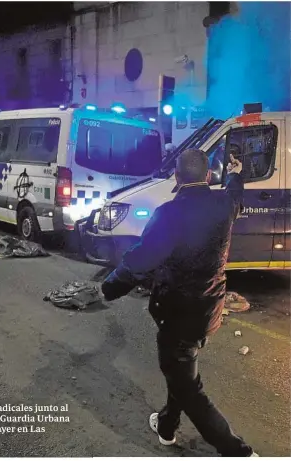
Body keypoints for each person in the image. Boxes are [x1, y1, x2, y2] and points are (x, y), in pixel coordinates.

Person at [101, 149, 258, 457]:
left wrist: (107, 289)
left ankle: (238, 452)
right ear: (208, 176)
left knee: (188, 387)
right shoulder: (224, 205)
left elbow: (140, 261)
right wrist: (236, 173)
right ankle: (167, 426)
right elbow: (235, 193)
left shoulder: (169, 213)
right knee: (182, 371)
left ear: (176, 177)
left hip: (177, 315)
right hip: (208, 309)